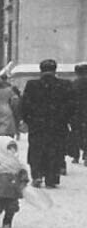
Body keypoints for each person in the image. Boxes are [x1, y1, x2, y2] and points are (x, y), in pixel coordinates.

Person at [20, 59, 72, 189]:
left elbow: (25, 104)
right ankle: (52, 177)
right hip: (58, 125)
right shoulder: (65, 85)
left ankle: (37, 175)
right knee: (55, 150)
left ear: (41, 70)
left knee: (36, 150)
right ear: (55, 70)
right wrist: (65, 119)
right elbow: (71, 105)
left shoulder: (32, 85)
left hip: (37, 124)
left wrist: (27, 119)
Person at [0, 73, 20, 142]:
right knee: (7, 126)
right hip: (6, 108)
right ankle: (7, 139)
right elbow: (15, 99)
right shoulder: (8, 90)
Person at [70, 63, 87, 166]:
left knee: (76, 133)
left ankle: (76, 156)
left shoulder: (74, 84)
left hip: (75, 114)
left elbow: (69, 100)